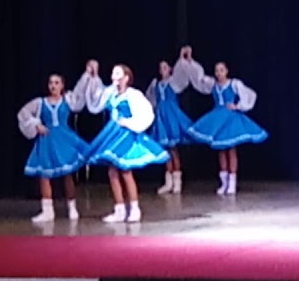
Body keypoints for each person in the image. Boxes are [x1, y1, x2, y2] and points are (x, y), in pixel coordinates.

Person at [83, 61, 170, 223]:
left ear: (126, 77)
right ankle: (119, 209)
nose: (114, 76)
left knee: (125, 170)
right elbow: (95, 101)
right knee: (112, 170)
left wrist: (129, 123)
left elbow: (146, 113)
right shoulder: (110, 93)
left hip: (126, 133)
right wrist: (94, 77)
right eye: (113, 73)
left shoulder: (132, 95)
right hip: (113, 133)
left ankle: (134, 208)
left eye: (117, 73)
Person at [177, 48, 269, 196]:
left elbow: (250, 95)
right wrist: (189, 61)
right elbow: (198, 78)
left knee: (231, 149)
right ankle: (224, 182)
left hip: (230, 119)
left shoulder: (234, 84)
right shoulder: (212, 84)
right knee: (220, 149)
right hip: (217, 118)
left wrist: (238, 106)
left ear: (226, 71)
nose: (219, 73)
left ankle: (232, 183)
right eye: (217, 70)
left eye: (221, 70)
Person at [17, 73, 92, 223]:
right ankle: (47, 211)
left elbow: (80, 93)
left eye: (57, 83)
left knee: (67, 173)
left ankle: (72, 207)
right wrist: (36, 125)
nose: (53, 86)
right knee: (44, 175)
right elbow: (23, 113)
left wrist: (87, 75)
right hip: (47, 140)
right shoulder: (40, 102)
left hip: (64, 139)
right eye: (51, 83)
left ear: (62, 85)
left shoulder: (68, 100)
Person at [146, 51, 195, 195]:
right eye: (161, 68)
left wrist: (182, 58)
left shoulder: (173, 83)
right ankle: (168, 182)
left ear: (170, 69)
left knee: (173, 149)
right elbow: (151, 99)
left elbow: (183, 75)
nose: (162, 70)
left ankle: (177, 180)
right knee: (165, 150)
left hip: (171, 116)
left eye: (165, 67)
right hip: (161, 117)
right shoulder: (156, 84)